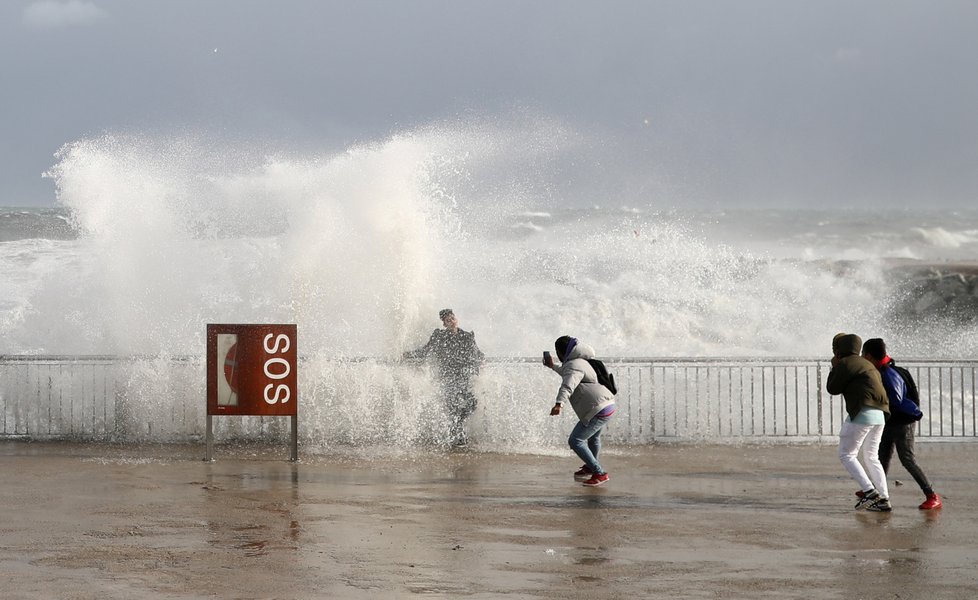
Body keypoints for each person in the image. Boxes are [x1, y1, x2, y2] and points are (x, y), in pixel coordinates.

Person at [861, 338, 943, 510]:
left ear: (869, 356)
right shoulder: (890, 371)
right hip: (888, 422)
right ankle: (876, 492)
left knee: (907, 460)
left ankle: (932, 496)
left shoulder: (889, 373)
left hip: (902, 423)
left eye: (863, 354)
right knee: (881, 458)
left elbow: (897, 400)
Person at [825, 333, 892, 511]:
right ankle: (884, 498)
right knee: (871, 456)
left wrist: (834, 367)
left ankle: (870, 492)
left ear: (840, 349)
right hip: (881, 414)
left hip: (863, 412)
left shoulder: (847, 363)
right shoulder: (868, 364)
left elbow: (832, 388)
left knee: (846, 454)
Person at [404, 309, 484, 447]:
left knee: (471, 403)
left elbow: (477, 353)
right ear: (444, 324)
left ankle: (457, 435)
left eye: (452, 318)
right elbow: (425, 351)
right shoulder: (439, 336)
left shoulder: (467, 336)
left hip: (463, 376)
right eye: (447, 320)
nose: (451, 321)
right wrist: (408, 355)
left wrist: (482, 361)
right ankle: (458, 439)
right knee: (453, 407)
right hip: (446, 377)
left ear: (456, 319)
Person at [544, 336, 616, 487]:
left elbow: (568, 384)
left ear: (562, 351)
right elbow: (568, 373)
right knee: (593, 439)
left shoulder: (574, 365)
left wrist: (559, 403)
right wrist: (552, 366)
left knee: (576, 441)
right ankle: (590, 467)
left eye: (557, 351)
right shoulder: (579, 362)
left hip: (597, 408)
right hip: (606, 404)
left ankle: (599, 473)